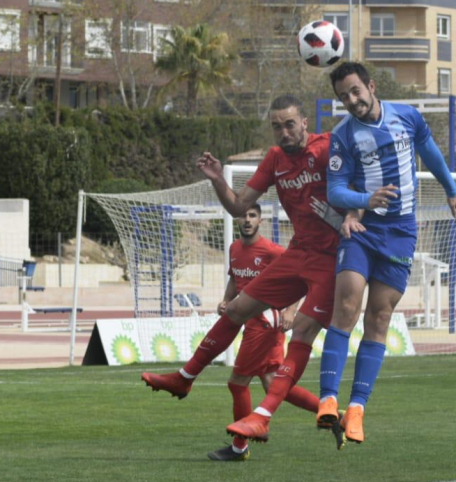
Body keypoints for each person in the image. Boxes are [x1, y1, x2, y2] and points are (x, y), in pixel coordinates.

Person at [141, 95, 343, 445]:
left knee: (299, 336)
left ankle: (267, 421)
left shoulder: (328, 149)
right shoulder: (275, 159)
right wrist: (218, 179)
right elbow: (238, 206)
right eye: (276, 126)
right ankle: (185, 377)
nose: (283, 132)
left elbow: (359, 186)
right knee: (235, 310)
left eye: (289, 124)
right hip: (299, 253)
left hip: (332, 258)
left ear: (305, 122)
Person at [316, 62, 456, 445]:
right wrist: (367, 199)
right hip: (362, 229)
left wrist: (450, 189)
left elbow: (430, 155)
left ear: (371, 86)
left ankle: (357, 408)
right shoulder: (343, 136)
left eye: (354, 92)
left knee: (379, 316)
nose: (351, 101)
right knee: (347, 305)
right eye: (343, 97)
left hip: (400, 234)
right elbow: (335, 191)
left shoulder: (408, 117)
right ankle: (328, 398)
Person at [207, 205, 333, 461]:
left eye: (252, 215)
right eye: (243, 216)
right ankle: (330, 413)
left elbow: (301, 277)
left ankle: (239, 447)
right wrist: (226, 300)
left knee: (237, 382)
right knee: (271, 381)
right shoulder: (234, 249)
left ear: (260, 220)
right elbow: (235, 279)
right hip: (250, 319)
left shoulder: (273, 250)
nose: (247, 220)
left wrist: (290, 310)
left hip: (264, 322)